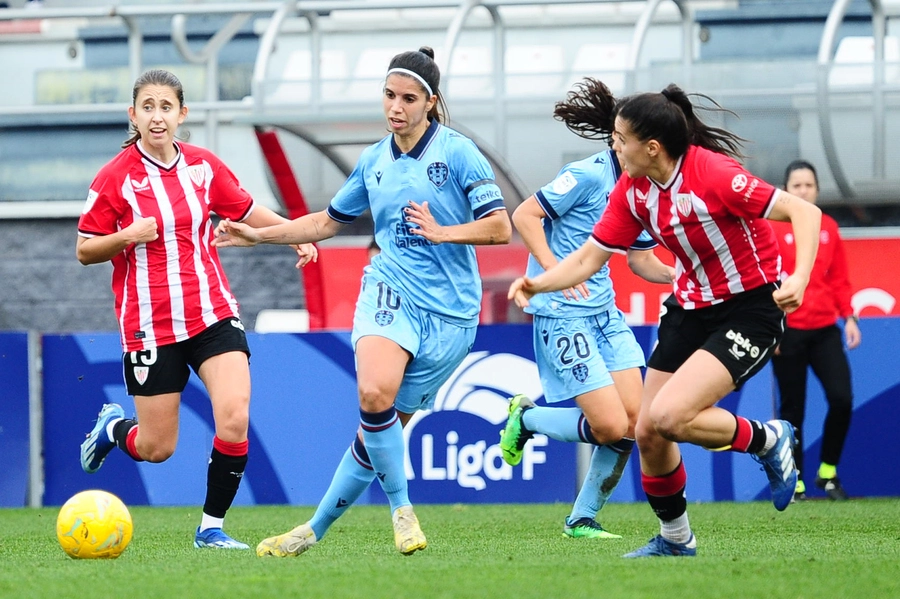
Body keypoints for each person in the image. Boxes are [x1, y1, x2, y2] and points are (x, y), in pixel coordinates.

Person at [213, 46, 512, 557]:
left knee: (379, 432)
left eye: (408, 98)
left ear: (431, 103)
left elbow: (501, 227)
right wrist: (262, 237)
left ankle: (313, 530)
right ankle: (402, 511)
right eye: (389, 96)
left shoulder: (458, 152)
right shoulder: (374, 160)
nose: (395, 107)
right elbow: (326, 222)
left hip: (452, 315)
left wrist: (444, 232)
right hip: (390, 290)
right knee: (374, 394)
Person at [508, 83, 822, 557]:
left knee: (670, 416)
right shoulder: (632, 192)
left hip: (750, 306)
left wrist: (799, 277)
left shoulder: (714, 174)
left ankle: (767, 438)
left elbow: (804, 211)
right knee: (647, 430)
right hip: (690, 305)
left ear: (651, 148)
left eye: (619, 137)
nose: (613, 144)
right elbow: (589, 257)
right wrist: (539, 283)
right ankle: (677, 540)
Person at [76, 68, 317, 550]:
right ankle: (113, 427)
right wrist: (127, 236)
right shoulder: (114, 177)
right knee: (156, 448)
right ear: (134, 115)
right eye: (148, 107)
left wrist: (296, 235)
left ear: (182, 114)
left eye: (166, 107)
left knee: (234, 413)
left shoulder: (204, 167)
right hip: (150, 327)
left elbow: (247, 211)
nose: (157, 116)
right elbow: (85, 247)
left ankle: (211, 528)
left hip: (212, 314)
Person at [499, 78, 675, 539]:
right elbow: (524, 215)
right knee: (609, 425)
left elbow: (639, 259)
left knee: (635, 425)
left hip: (604, 312)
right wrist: (558, 271)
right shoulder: (590, 175)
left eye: (624, 141)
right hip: (561, 310)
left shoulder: (641, 191)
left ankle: (581, 519)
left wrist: (682, 276)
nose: (618, 149)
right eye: (615, 141)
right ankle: (527, 417)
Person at [770, 160, 860, 501]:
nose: (804, 191)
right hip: (787, 331)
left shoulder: (829, 227)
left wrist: (849, 316)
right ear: (785, 191)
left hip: (825, 329)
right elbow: (765, 281)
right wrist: (771, 329)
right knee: (793, 412)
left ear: (817, 190)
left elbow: (839, 279)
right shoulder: (772, 227)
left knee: (842, 399)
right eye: (797, 186)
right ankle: (797, 482)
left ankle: (828, 473)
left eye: (809, 185)